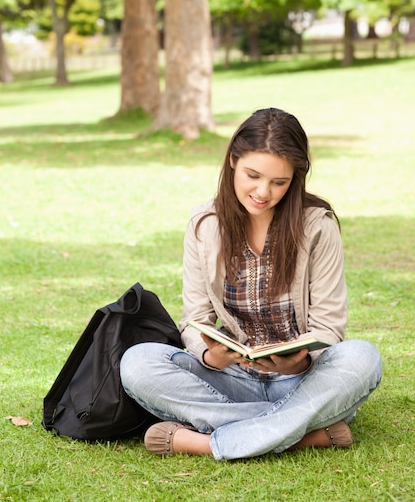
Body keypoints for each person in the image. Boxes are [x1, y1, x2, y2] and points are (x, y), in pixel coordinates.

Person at [120, 108, 382, 460]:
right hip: (230, 378)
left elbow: (329, 325)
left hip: (303, 380)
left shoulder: (317, 226)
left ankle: (206, 442)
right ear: (232, 160)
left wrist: (300, 363)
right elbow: (194, 318)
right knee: (137, 362)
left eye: (279, 182)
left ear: (295, 178)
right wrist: (210, 357)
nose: (263, 192)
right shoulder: (205, 225)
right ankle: (302, 432)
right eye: (253, 175)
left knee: (363, 358)